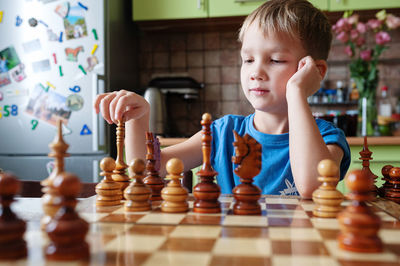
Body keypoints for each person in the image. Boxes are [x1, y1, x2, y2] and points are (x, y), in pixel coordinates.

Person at [94, 0, 350, 198]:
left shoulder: (328, 138)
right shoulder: (224, 133)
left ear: (314, 71)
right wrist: (139, 120)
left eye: (275, 60)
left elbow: (311, 187)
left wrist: (296, 92)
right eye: (248, 60)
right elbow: (150, 169)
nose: (256, 73)